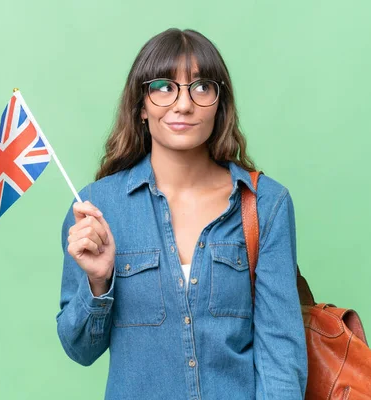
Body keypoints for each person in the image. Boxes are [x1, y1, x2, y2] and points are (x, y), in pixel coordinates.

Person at [56, 28, 307, 400]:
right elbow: (80, 349)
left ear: (220, 104)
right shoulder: (98, 208)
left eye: (201, 87)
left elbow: (281, 357)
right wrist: (97, 282)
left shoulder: (264, 203)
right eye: (163, 86)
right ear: (141, 105)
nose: (183, 104)